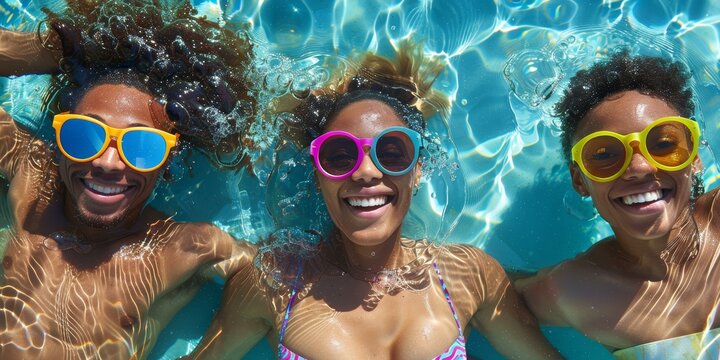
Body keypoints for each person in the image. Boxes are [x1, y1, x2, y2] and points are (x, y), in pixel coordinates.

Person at [188, 44, 562, 359]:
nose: (366, 172)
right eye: (339, 156)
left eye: (392, 152)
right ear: (318, 177)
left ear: (417, 171)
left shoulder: (468, 275)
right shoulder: (272, 283)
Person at [0, 1, 259, 358]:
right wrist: (62, 53)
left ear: (167, 160)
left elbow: (279, 280)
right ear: (59, 141)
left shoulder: (181, 247)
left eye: (141, 146)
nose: (107, 162)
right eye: (83, 135)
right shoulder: (35, 179)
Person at [517, 51, 720, 358]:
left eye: (664, 144)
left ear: (693, 158)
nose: (640, 167)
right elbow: (474, 285)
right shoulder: (577, 291)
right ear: (579, 181)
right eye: (604, 155)